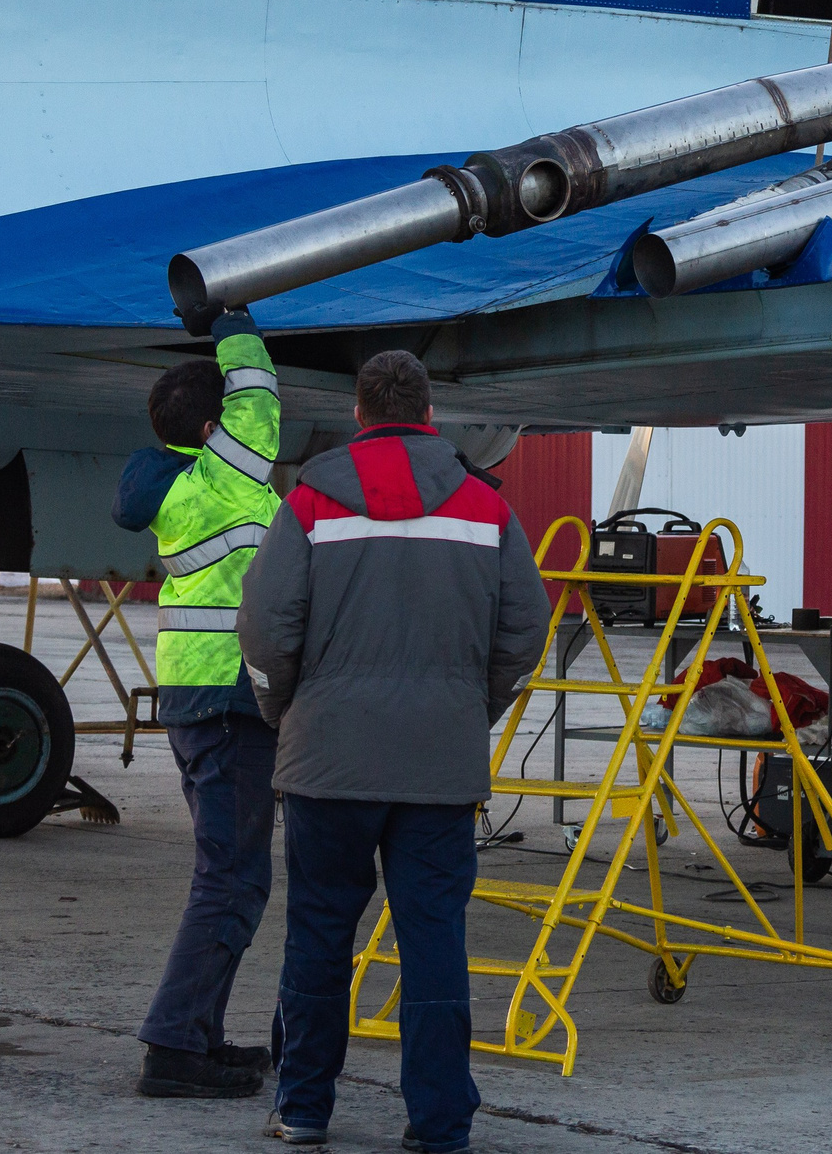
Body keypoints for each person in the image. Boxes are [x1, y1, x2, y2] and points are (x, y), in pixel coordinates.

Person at [239, 349, 547, 1151]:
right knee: (434, 938)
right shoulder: (486, 509)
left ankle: (304, 1107)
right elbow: (526, 630)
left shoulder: (308, 502)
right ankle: (440, 1123)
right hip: (437, 769)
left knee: (318, 935)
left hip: (328, 762)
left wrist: (287, 709)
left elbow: (266, 629)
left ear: (358, 411)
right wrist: (468, 708)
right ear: (431, 413)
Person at [115, 305, 283, 1101]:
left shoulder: (179, 486)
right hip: (229, 697)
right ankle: (175, 1046)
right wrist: (234, 320)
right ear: (216, 427)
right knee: (231, 878)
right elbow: (259, 389)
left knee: (233, 874)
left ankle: (200, 1036)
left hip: (193, 695)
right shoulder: (230, 470)